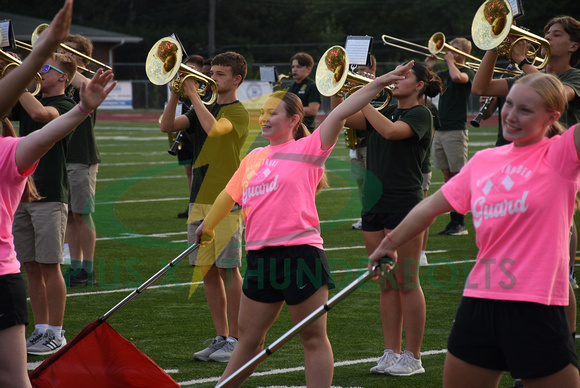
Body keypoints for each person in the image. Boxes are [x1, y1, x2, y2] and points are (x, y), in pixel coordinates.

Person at [196, 61, 418, 388]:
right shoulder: (253, 158)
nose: (264, 118)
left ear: (293, 120)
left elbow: (342, 113)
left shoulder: (308, 149)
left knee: (312, 338)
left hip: (301, 257)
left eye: (273, 113)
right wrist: (209, 225)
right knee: (248, 341)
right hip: (259, 258)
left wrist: (378, 83)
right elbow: (229, 196)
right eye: (263, 113)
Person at [371, 72, 579, 388]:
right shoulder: (485, 161)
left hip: (536, 306)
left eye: (525, 110)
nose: (510, 115)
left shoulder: (561, 155)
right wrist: (390, 242)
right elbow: (430, 207)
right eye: (509, 104)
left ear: (552, 116)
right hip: (479, 301)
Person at [471, 15, 580, 365]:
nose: (547, 36)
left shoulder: (573, 77)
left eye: (556, 33)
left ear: (573, 45)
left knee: (557, 269)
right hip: (514, 175)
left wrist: (521, 59)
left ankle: (565, 344)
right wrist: (493, 44)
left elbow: (554, 95)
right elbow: (481, 88)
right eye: (546, 31)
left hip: (554, 180)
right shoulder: (525, 76)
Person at [332, 62, 442, 377]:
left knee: (407, 281)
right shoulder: (383, 107)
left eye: (404, 75)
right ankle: (391, 352)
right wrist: (340, 89)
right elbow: (342, 117)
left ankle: (413, 356)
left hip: (404, 203)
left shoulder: (421, 114)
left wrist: (364, 94)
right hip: (373, 203)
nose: (396, 79)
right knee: (386, 283)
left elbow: (391, 132)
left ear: (420, 85)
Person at [0, 2, 76, 384]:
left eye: (47, 69)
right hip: (23, 199)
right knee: (29, 265)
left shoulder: (60, 103)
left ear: (63, 77)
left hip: (50, 194)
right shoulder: (28, 103)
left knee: (50, 265)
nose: (41, 74)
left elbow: (45, 118)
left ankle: (55, 330)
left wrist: (16, 69)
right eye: (41, 69)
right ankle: (40, 327)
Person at [160, 51, 249, 363]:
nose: (213, 78)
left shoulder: (238, 112)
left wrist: (194, 96)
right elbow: (166, 125)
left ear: (237, 79)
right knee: (207, 271)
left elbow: (215, 131)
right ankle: (221, 335)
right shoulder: (203, 108)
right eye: (212, 72)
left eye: (220, 74)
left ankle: (237, 338)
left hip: (226, 199)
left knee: (228, 269)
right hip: (198, 199)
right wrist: (175, 93)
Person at [60, 34, 102, 287]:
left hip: (81, 156)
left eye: (69, 51)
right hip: (61, 155)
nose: (63, 55)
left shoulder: (87, 82)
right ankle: (73, 266)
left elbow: (81, 83)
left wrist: (58, 61)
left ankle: (88, 269)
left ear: (82, 58)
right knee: (69, 215)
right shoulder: (62, 79)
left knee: (82, 214)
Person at [426, 37, 475, 236]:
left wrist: (450, 62)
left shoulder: (466, 72)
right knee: (447, 176)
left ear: (464, 53)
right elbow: (426, 89)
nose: (450, 52)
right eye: (449, 49)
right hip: (440, 130)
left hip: (455, 130)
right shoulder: (443, 73)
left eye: (455, 49)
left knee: (458, 176)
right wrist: (428, 67)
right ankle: (453, 221)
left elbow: (458, 78)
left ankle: (460, 223)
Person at [347, 55, 377, 230]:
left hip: (370, 143)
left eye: (362, 70)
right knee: (361, 183)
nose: (358, 73)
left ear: (372, 70)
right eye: (357, 70)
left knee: (372, 183)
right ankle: (365, 215)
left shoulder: (378, 89)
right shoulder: (355, 89)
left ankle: (374, 216)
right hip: (356, 142)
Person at [175, 54, 205, 219]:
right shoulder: (182, 90)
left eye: (192, 69)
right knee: (188, 171)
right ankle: (191, 204)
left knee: (197, 169)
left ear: (200, 71)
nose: (188, 71)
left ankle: (199, 205)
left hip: (198, 134)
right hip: (184, 133)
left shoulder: (205, 89)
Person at [288, 52, 321, 131]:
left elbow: (312, 110)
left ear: (308, 69)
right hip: (289, 129)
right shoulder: (289, 87)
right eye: (293, 67)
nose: (294, 69)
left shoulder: (312, 86)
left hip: (305, 130)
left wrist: (289, 110)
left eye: (298, 67)